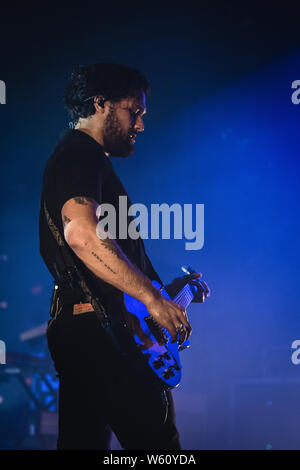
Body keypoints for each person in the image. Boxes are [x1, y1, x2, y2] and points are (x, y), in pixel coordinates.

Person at [39, 62, 209, 450]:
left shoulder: (81, 159)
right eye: (135, 111)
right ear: (101, 104)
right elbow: (82, 233)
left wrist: (169, 293)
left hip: (91, 331)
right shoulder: (81, 154)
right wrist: (152, 298)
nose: (141, 125)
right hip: (105, 336)